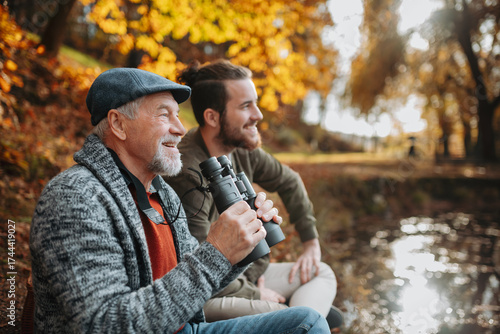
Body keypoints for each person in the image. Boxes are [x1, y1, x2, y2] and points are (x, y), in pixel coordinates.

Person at [29, 67, 330, 333]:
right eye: (164, 114)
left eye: (178, 114)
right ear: (118, 124)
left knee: (305, 321)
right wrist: (217, 252)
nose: (181, 128)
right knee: (309, 323)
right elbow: (104, 324)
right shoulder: (75, 197)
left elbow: (194, 277)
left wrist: (244, 241)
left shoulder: (163, 194)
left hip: (185, 325)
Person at [165, 60, 343, 329]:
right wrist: (255, 295)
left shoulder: (238, 149)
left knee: (322, 273)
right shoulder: (189, 172)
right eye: (246, 106)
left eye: (255, 103)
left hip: (247, 275)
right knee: (291, 315)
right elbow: (199, 266)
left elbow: (290, 181)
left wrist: (311, 243)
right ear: (212, 117)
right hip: (208, 293)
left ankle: (308, 319)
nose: (258, 114)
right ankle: (307, 317)